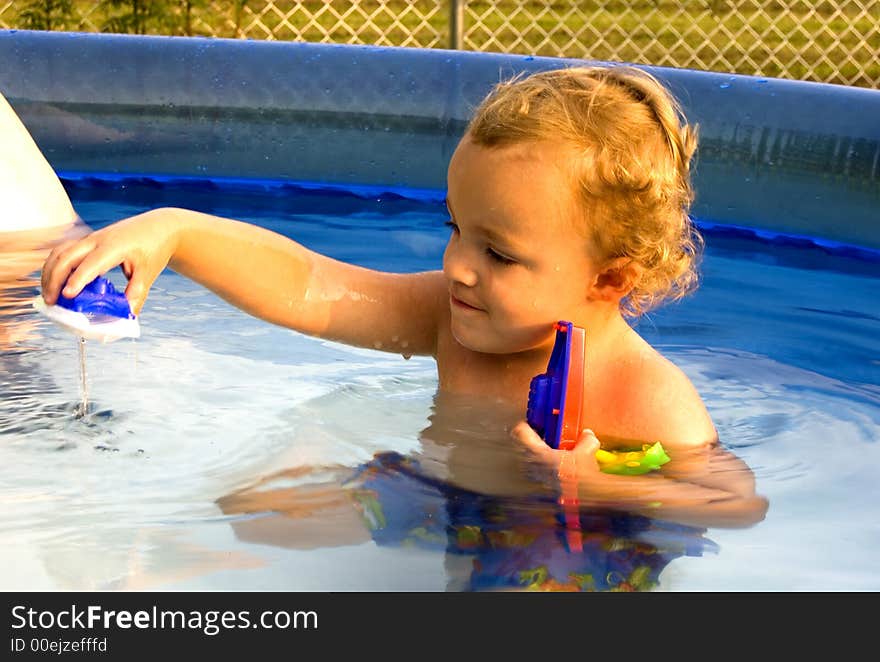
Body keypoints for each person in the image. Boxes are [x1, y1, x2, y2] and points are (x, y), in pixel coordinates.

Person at [39, 65, 768, 521]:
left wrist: (599, 484)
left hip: (579, 558)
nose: (457, 266)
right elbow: (312, 286)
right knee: (255, 512)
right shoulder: (451, 321)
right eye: (456, 229)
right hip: (441, 495)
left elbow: (734, 504)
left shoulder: (644, 395)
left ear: (609, 279)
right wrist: (176, 231)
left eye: (499, 253)